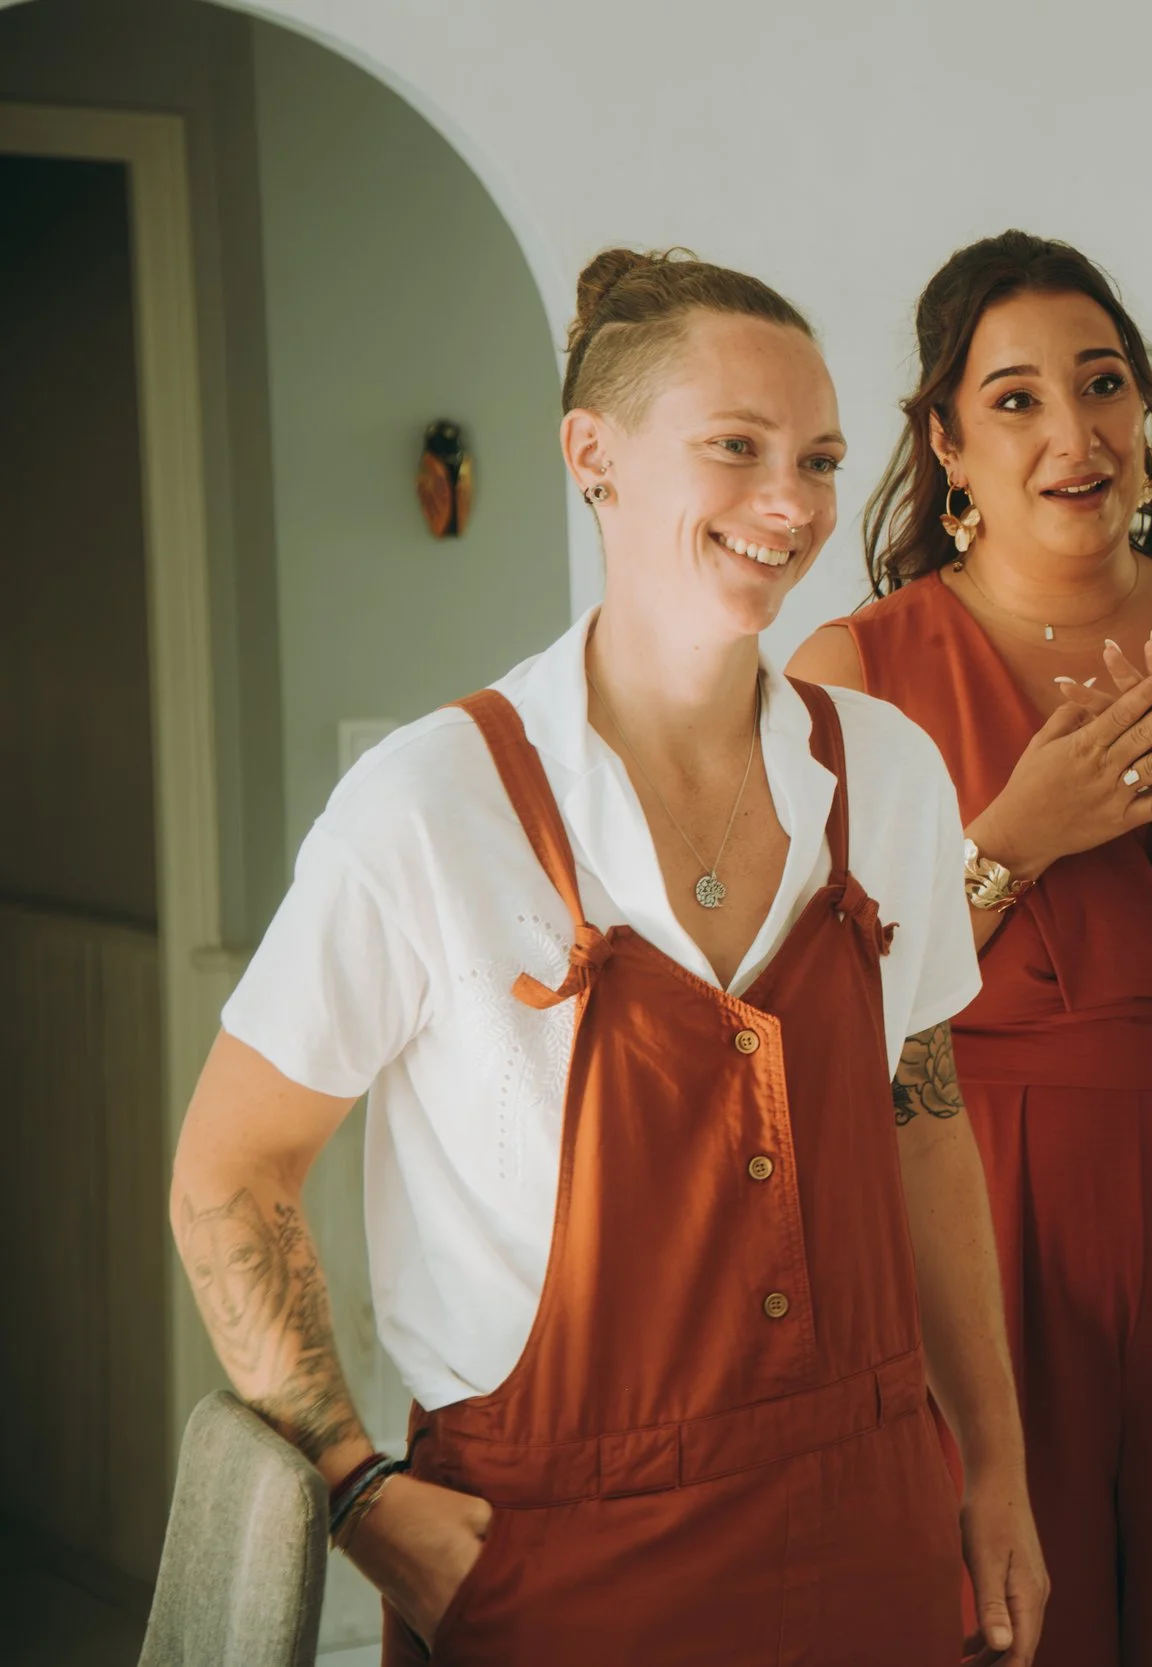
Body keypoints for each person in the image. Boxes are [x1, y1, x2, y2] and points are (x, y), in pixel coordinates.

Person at [169, 248, 1046, 1666]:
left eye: (819, 458)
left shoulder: (885, 775)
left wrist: (994, 1464)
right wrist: (352, 1488)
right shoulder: (428, 805)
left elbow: (926, 1124)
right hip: (554, 1572)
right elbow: (227, 1168)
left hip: (874, 1529)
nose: (794, 502)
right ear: (595, 454)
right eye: (737, 448)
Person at [787, 231, 1152, 1667]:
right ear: (946, 446)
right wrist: (1013, 841)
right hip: (988, 1210)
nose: (1073, 431)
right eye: (1016, 399)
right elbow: (818, 1004)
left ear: (1150, 427)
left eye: (1104, 384)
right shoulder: (852, 673)